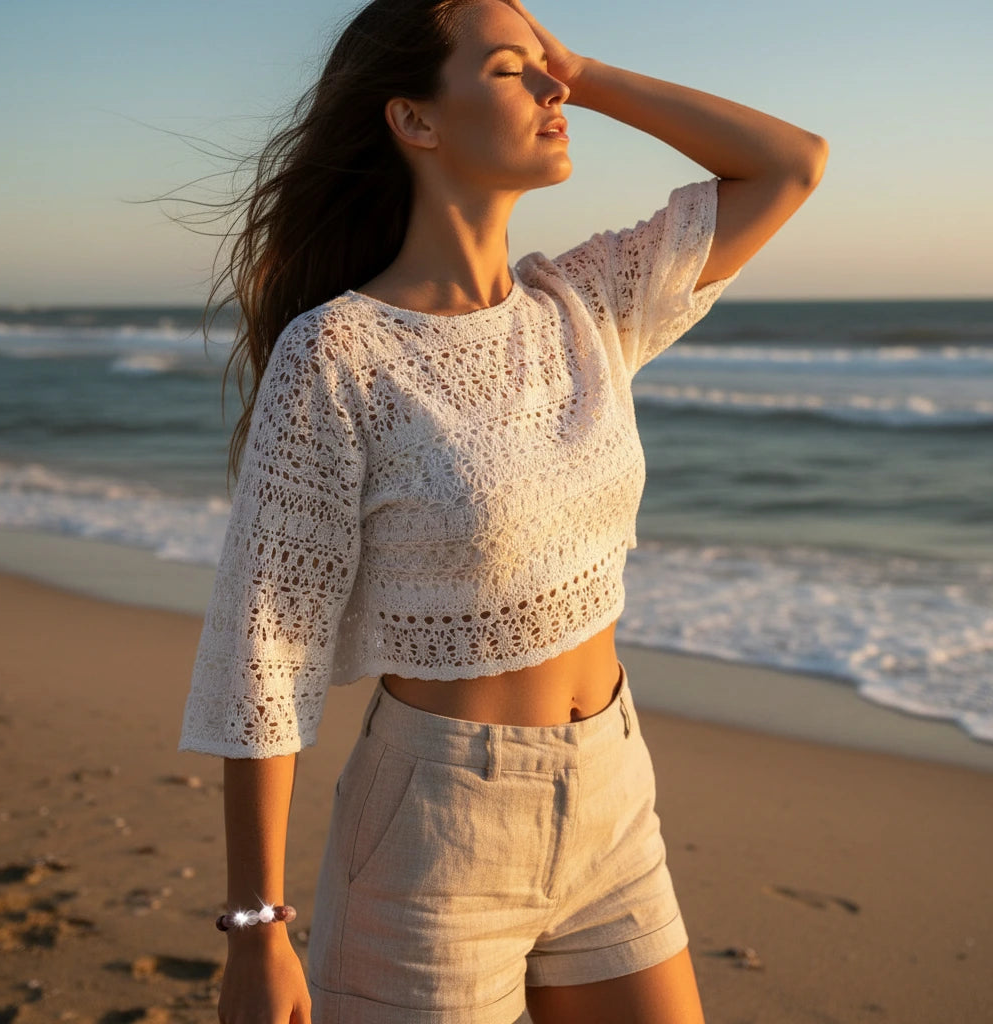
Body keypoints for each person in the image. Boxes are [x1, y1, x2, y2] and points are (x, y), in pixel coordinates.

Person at [179, 0, 827, 1020]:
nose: (552, 88)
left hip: (614, 793)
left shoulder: (586, 304)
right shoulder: (340, 353)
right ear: (415, 121)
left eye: (547, 68)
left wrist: (585, 68)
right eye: (510, 70)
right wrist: (257, 928)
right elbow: (267, 648)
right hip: (435, 830)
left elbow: (789, 163)